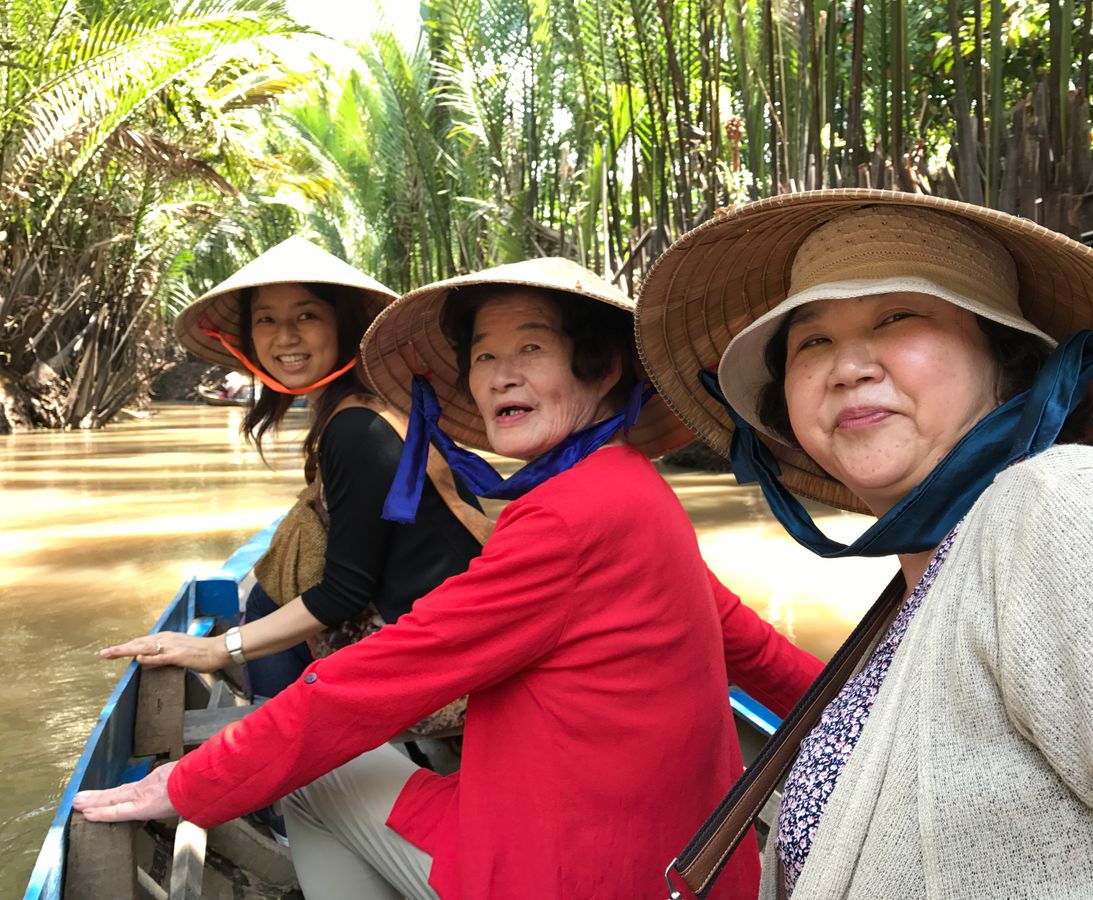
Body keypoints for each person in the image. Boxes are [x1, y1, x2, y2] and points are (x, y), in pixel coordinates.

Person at [75, 257, 825, 899]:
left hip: (570, 872)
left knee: (310, 774)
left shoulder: (563, 518)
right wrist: (856, 705)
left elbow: (371, 682)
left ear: (600, 368)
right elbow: (754, 649)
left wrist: (187, 782)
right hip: (685, 864)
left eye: (531, 347)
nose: (501, 374)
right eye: (485, 356)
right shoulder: (636, 489)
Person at [636, 189, 1093, 898]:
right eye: (813, 341)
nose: (848, 367)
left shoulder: (1068, 506)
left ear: (1008, 364)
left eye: (897, 316)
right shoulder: (916, 594)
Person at [100, 236, 488, 698]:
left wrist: (219, 648)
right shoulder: (365, 410)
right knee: (269, 596)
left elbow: (344, 593)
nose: (285, 337)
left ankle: (273, 725)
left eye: (307, 316)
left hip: (437, 668)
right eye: (266, 319)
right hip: (440, 636)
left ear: (344, 325)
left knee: (268, 602)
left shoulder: (358, 429)